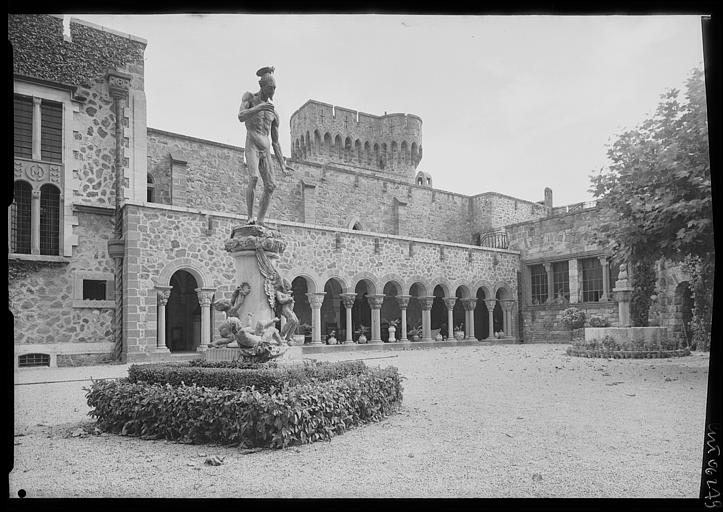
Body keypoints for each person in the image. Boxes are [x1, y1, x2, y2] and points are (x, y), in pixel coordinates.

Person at [237, 66, 293, 226]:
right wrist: (259, 107)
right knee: (254, 178)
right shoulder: (250, 98)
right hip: (252, 144)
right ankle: (250, 217)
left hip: (266, 149)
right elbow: (241, 116)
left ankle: (260, 221)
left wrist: (282, 164)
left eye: (275, 88)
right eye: (270, 88)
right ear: (262, 86)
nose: (273, 92)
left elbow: (275, 141)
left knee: (271, 185)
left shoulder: (274, 113)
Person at [275, 278, 299, 344]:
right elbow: (280, 301)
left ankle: (288, 337)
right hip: (284, 308)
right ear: (283, 286)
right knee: (292, 320)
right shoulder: (278, 292)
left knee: (296, 322)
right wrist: (288, 299)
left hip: (290, 309)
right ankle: (282, 334)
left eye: (288, 288)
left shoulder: (287, 294)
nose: (288, 290)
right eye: (287, 287)